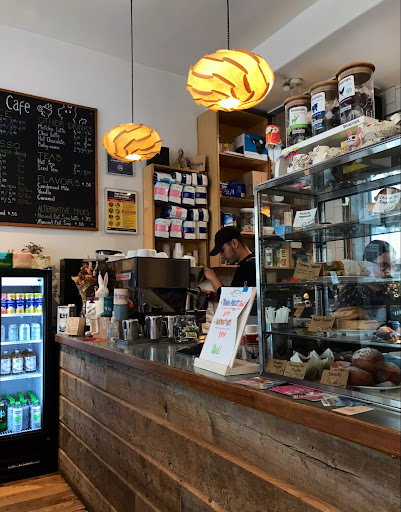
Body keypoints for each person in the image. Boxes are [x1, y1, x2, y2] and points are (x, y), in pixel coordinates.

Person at [336, 240, 401, 333]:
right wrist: (375, 329)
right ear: (367, 264)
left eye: (392, 265)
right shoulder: (352, 289)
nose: (388, 271)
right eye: (383, 265)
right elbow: (340, 322)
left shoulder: (395, 287)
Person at [204, 226, 256, 298]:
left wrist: (212, 277)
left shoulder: (249, 267)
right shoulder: (245, 264)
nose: (222, 256)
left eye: (223, 250)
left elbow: (234, 299)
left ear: (234, 243)